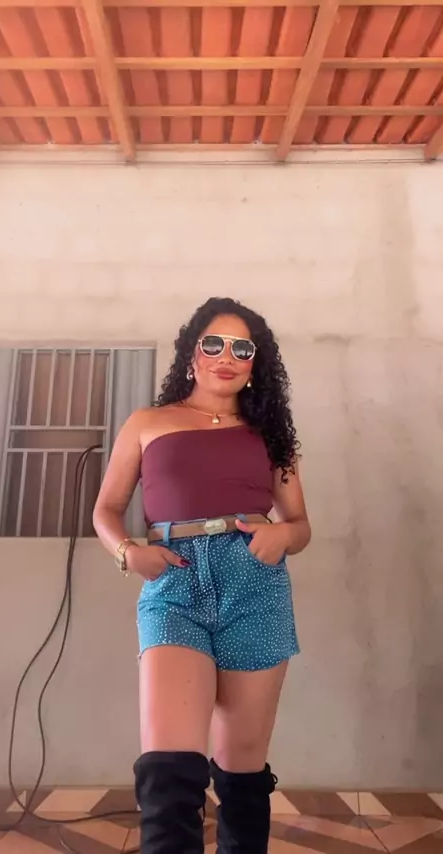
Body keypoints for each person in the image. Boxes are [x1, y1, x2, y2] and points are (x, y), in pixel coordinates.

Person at [93, 297, 311, 854]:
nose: (226, 356)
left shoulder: (271, 435)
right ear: (192, 355)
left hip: (255, 586)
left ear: (255, 363)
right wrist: (127, 553)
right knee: (168, 772)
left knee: (241, 773)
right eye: (213, 343)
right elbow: (106, 510)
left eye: (242, 348)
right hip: (175, 584)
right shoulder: (147, 423)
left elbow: (301, 525)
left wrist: (282, 537)